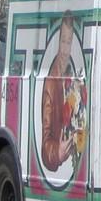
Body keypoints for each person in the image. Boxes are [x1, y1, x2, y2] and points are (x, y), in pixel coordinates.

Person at [41, 12, 82, 170]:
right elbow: (46, 143)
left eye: (69, 42)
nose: (65, 50)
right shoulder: (51, 84)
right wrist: (57, 152)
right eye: (63, 41)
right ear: (58, 42)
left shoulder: (72, 73)